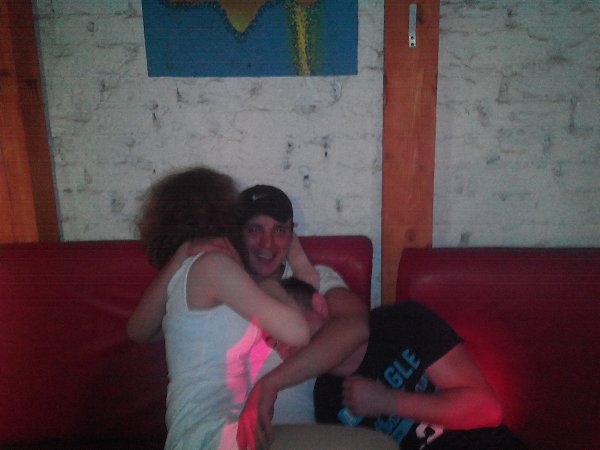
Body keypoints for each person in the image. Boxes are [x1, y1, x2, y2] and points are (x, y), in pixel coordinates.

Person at [127, 167, 311, 449]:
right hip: (211, 437)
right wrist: (271, 282)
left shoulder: (187, 274)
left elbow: (139, 331)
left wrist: (181, 255)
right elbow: (298, 332)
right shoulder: (214, 268)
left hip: (203, 434)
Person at [268, 277, 526, 450]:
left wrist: (388, 401)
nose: (285, 346)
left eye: (288, 324)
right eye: (273, 340)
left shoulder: (400, 322)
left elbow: (487, 409)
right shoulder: (327, 399)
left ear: (319, 306)